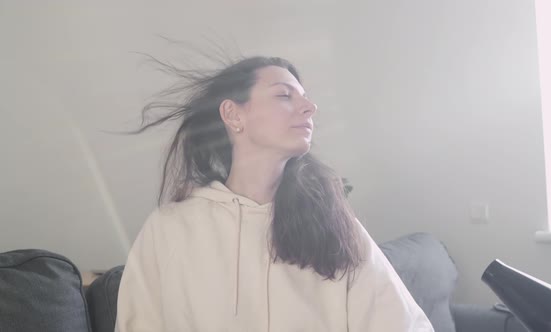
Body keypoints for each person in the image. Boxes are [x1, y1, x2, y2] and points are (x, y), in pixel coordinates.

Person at [115, 55, 434, 331]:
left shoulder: (332, 221)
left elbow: (403, 323)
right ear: (233, 115)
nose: (309, 107)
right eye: (284, 96)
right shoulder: (170, 228)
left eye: (306, 99)